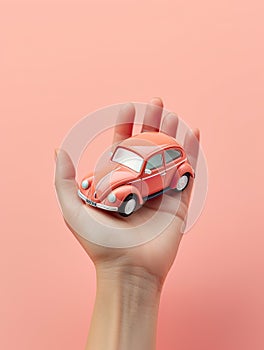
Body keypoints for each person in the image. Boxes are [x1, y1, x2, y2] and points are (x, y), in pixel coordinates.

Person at [55, 97, 200, 350]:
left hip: (145, 178)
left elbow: (138, 184)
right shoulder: (113, 171)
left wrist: (135, 277)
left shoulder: (170, 168)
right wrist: (125, 272)